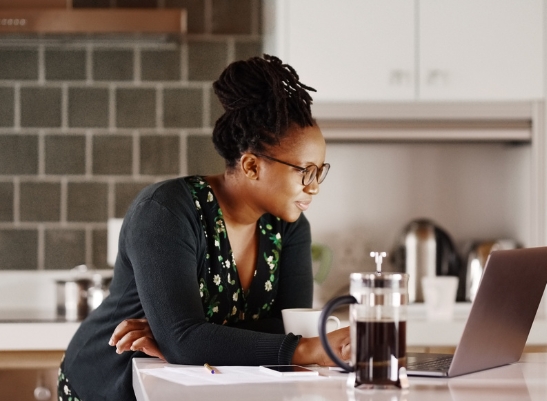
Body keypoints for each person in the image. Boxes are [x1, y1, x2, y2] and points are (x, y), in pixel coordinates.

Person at [58, 54, 350, 401]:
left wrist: (188, 339)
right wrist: (310, 349)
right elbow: (193, 341)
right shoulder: (166, 211)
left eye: (320, 171)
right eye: (305, 171)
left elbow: (280, 329)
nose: (314, 186)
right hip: (106, 384)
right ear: (252, 166)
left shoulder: (288, 228)